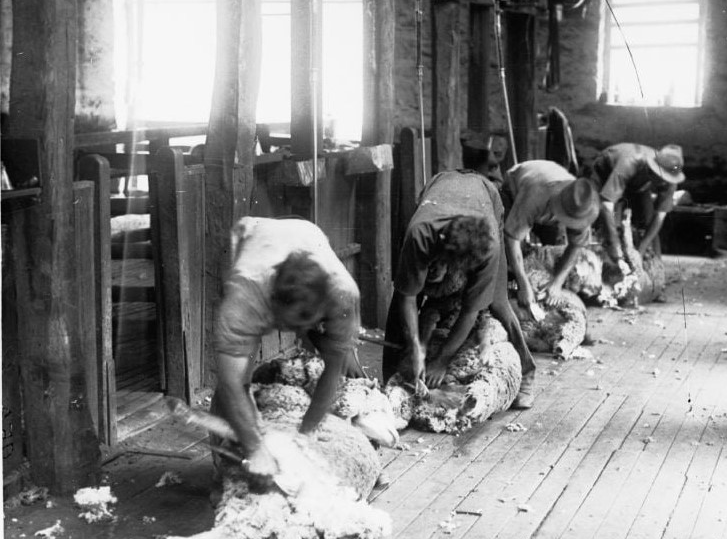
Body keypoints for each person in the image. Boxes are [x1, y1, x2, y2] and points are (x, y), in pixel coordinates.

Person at [212, 216, 361, 481]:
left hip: (307, 234)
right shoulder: (245, 294)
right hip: (255, 235)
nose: (291, 329)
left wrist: (307, 433)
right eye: (286, 323)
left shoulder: (343, 294)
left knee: (334, 352)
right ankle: (223, 470)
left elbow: (334, 369)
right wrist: (255, 447)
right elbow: (229, 383)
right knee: (238, 377)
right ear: (273, 303)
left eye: (302, 324)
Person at [383, 168, 538, 408]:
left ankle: (527, 370)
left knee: (498, 302)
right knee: (403, 293)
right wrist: (416, 347)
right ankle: (393, 380)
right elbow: (409, 297)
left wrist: (442, 360)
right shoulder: (420, 234)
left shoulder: (490, 247)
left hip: (485, 196)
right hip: (442, 188)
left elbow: (470, 311)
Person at [501, 159, 600, 319]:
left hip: (548, 202)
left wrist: (557, 283)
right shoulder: (535, 194)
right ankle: (511, 285)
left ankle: (538, 285)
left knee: (550, 246)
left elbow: (576, 246)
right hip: (516, 186)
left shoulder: (582, 205)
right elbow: (511, 237)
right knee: (505, 249)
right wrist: (523, 283)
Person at [589, 143, 686, 270]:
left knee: (648, 220)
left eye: (667, 180)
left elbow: (659, 217)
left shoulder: (671, 178)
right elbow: (607, 205)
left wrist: (640, 250)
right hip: (606, 171)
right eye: (662, 178)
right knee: (598, 218)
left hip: (639, 183)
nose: (664, 183)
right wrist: (615, 246)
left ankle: (656, 271)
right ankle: (600, 265)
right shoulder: (629, 162)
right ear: (653, 170)